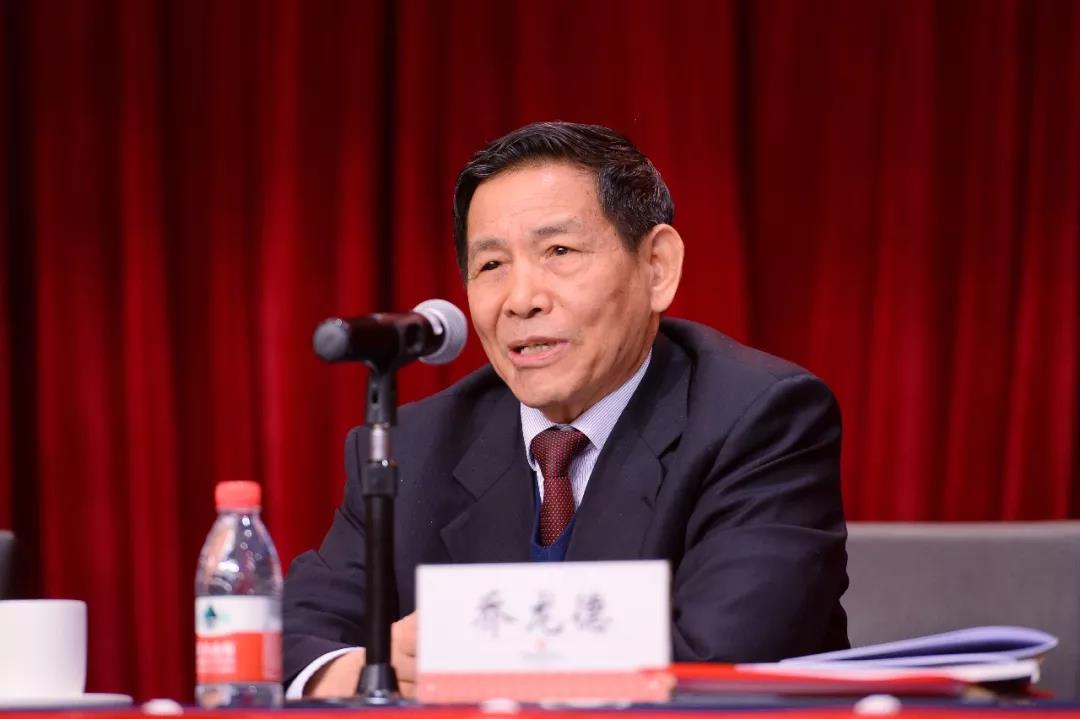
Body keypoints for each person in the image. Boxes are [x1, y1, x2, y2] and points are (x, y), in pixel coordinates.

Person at [283, 121, 849, 698]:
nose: (521, 300)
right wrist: (364, 672)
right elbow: (293, 641)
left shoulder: (756, 419)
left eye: (559, 251)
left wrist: (462, 655)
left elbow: (722, 662)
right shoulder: (413, 445)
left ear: (657, 266)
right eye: (491, 265)